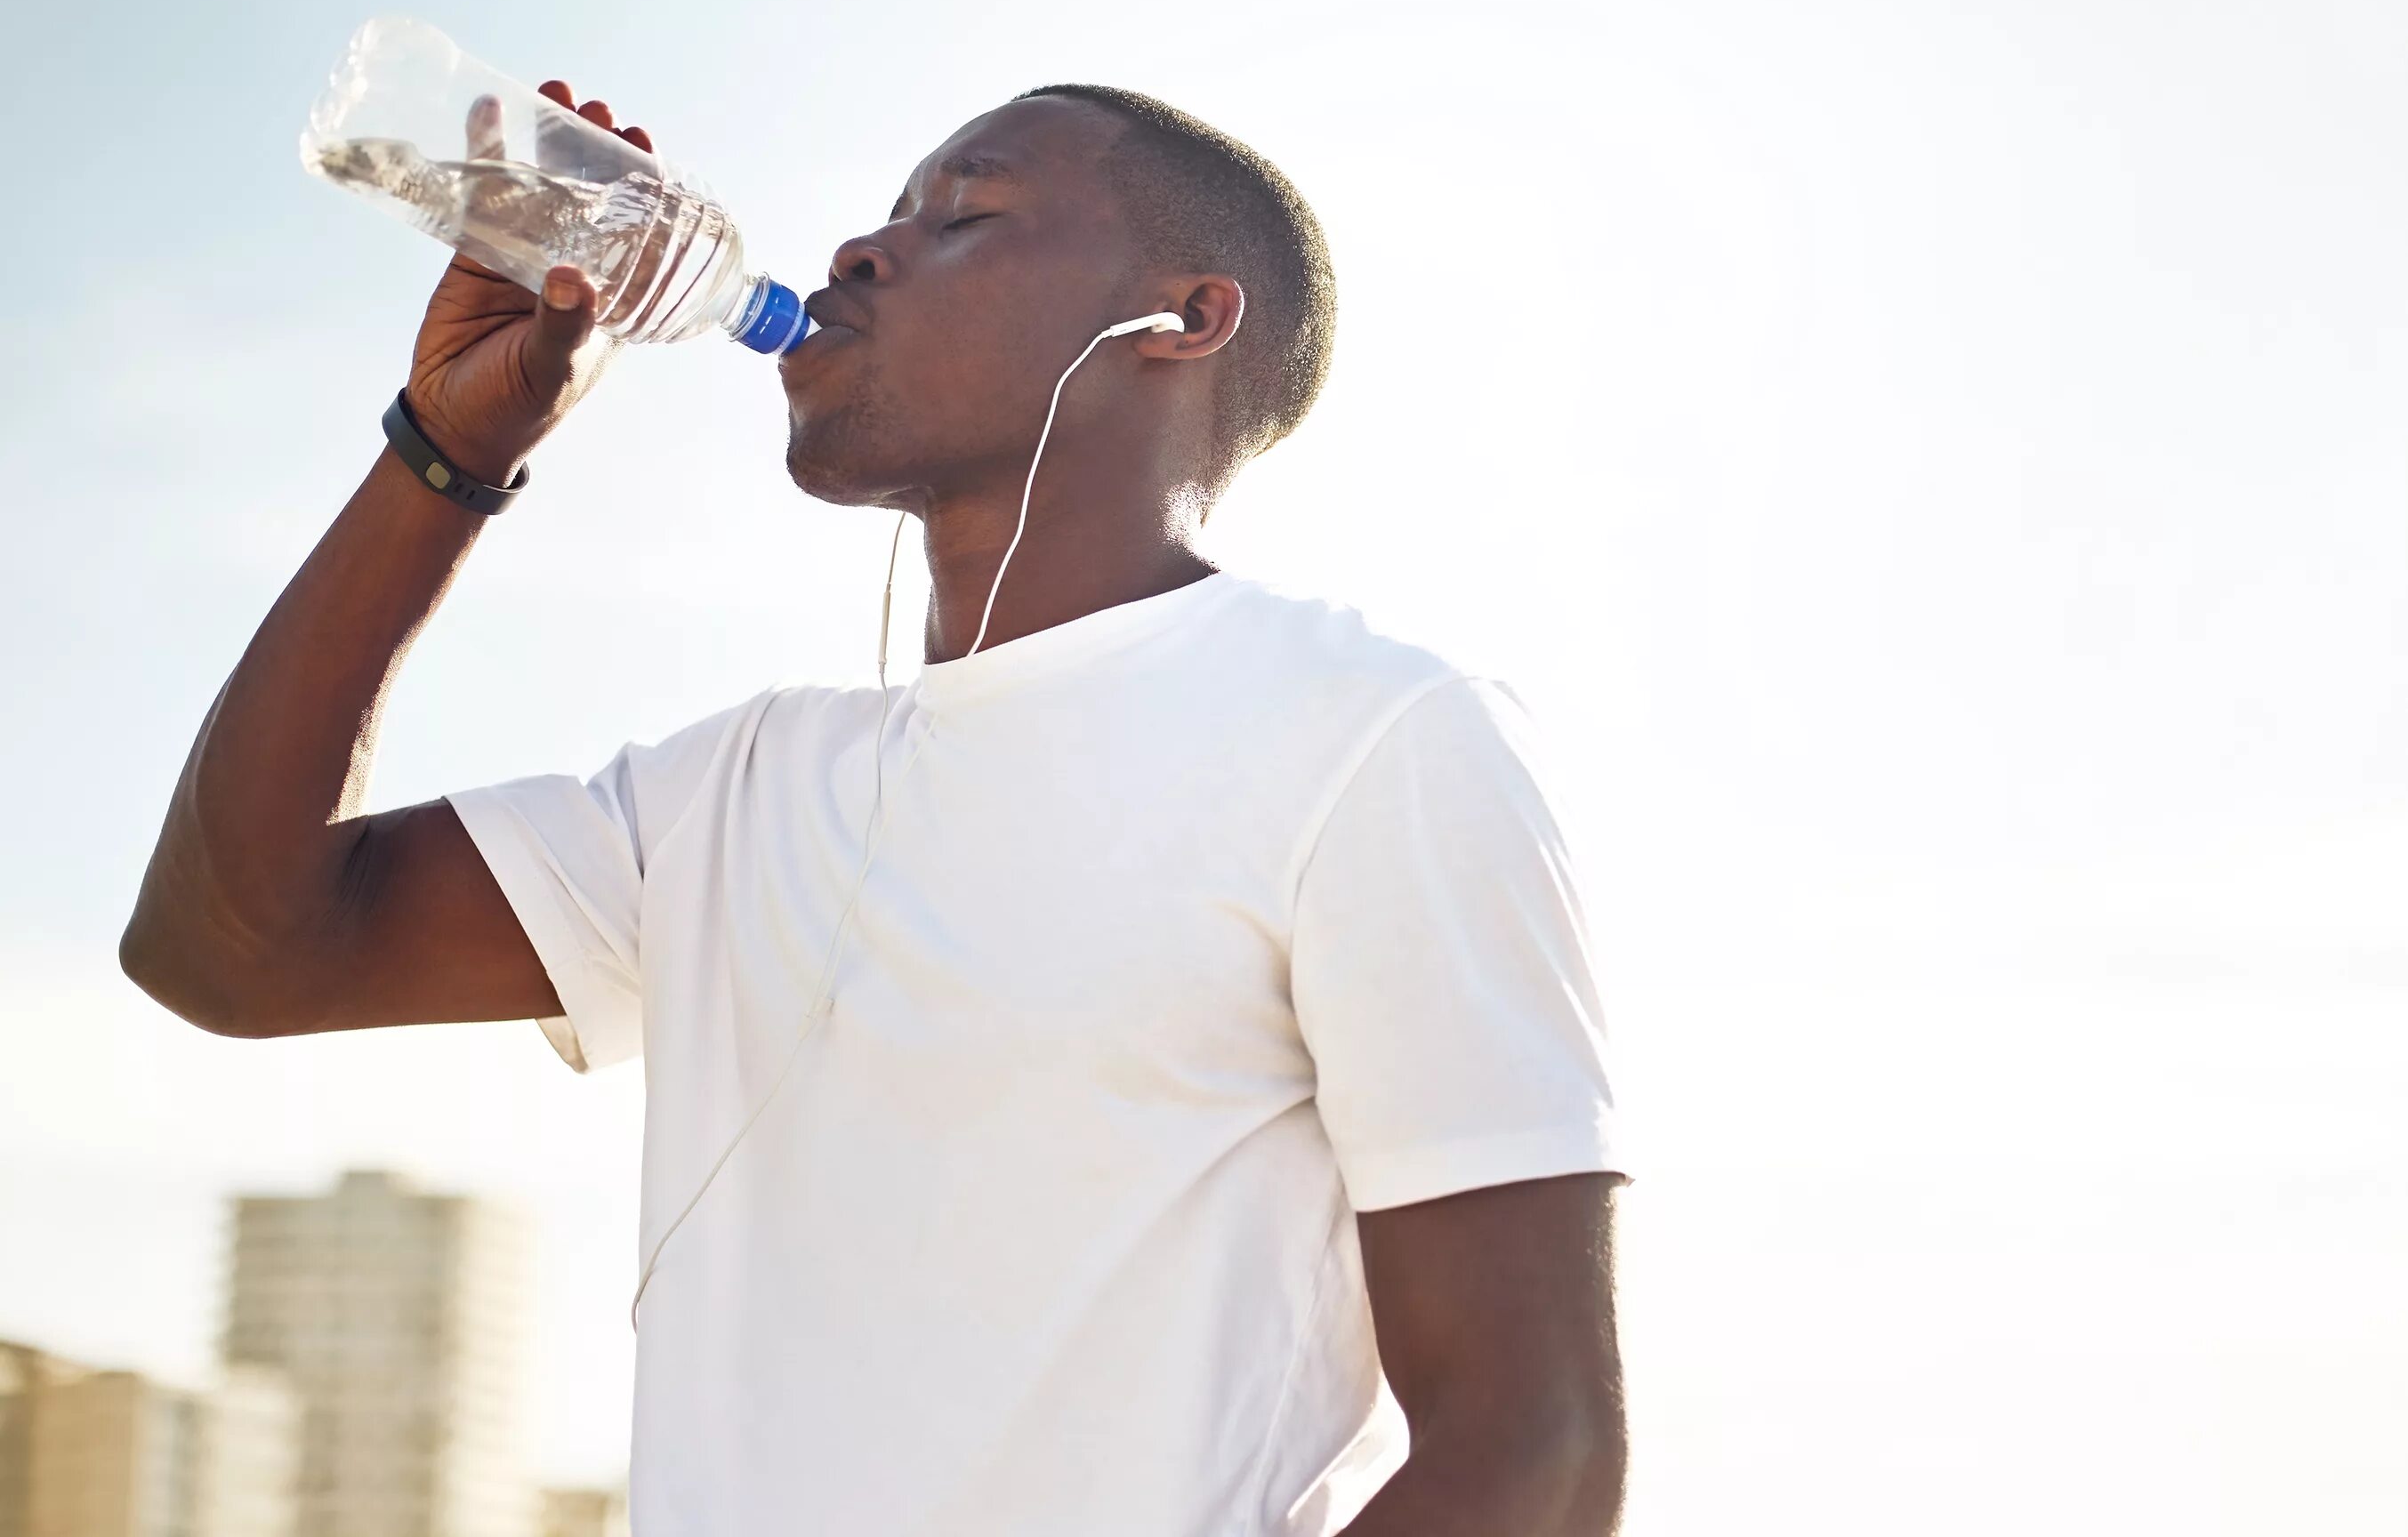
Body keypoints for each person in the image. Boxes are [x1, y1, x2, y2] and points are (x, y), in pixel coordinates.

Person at [121, 76, 1631, 1536]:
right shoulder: (735, 789)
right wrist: (446, 452)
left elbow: (1532, 1456)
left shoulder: (1372, 735)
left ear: (1185, 320)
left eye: (964, 216)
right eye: (882, 214)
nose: (857, 252)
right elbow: (233, 950)